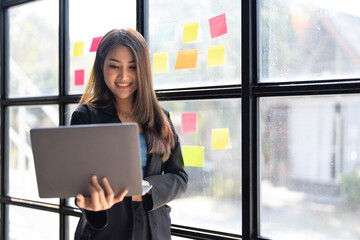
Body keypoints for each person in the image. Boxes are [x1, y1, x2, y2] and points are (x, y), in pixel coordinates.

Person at [70, 28, 188, 240]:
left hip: (153, 232)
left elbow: (179, 177)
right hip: (103, 233)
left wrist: (146, 189)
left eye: (132, 67)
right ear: (101, 66)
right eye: (114, 66)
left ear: (143, 70)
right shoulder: (85, 116)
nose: (123, 76)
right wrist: (93, 204)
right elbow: (78, 186)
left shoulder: (161, 118)